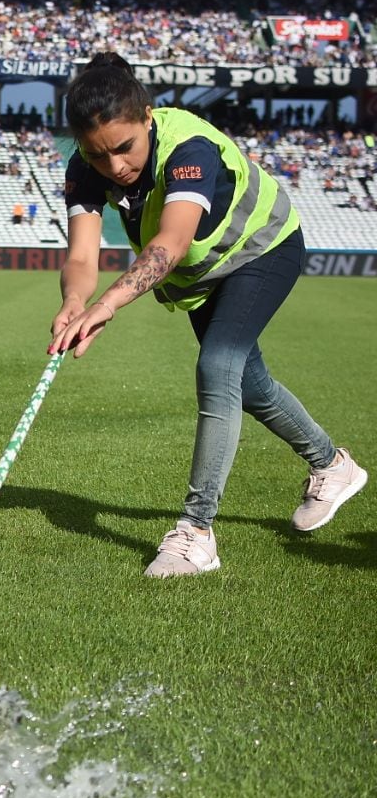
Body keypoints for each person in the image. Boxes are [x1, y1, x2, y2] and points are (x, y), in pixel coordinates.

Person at [49, 52, 366, 578]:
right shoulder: (84, 168)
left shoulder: (188, 145)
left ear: (147, 116)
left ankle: (197, 532)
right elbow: (82, 258)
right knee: (251, 384)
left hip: (263, 248)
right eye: (97, 155)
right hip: (203, 278)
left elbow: (170, 244)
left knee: (219, 367)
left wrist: (108, 304)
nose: (115, 167)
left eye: (124, 148)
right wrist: (74, 301)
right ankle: (333, 465)